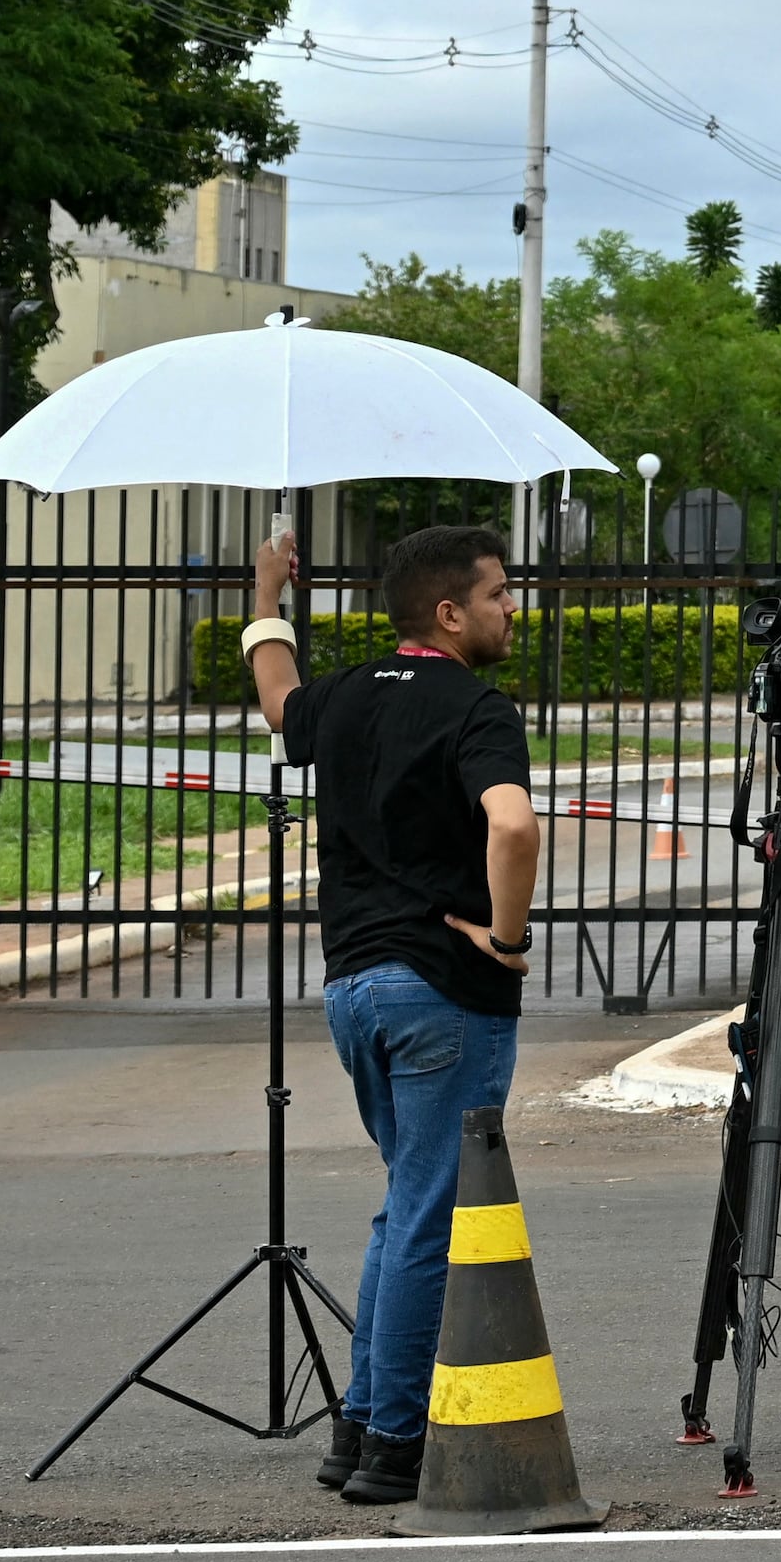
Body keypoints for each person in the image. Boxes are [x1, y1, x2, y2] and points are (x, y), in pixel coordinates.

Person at [242, 520, 540, 1507]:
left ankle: (358, 1425)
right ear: (449, 612)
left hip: (352, 991)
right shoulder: (479, 708)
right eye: (498, 593)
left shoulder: (349, 695)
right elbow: (511, 825)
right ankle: (396, 1446)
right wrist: (504, 938)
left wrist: (265, 596)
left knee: (401, 1209)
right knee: (428, 1218)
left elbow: (279, 698)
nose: (512, 607)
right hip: (444, 995)